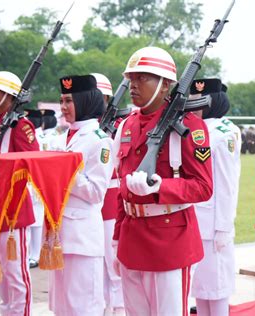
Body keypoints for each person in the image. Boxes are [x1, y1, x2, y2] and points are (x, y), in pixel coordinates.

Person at [112, 46, 213, 316]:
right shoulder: (126, 126)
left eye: (143, 77)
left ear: (166, 84)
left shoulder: (189, 125)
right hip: (132, 241)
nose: (133, 84)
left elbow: (203, 187)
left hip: (170, 240)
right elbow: (122, 189)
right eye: (131, 78)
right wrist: (116, 238)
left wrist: (160, 187)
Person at [48, 74, 113, 316]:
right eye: (61, 101)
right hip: (58, 235)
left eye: (69, 101)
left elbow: (96, 192)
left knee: (83, 308)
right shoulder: (61, 138)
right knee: (61, 308)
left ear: (85, 101)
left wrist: (65, 170)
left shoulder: (100, 141)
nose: (63, 108)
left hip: (83, 238)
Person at [0, 71, 39, 315]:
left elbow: (33, 161)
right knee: (1, 277)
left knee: (16, 275)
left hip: (12, 209)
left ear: (7, 95)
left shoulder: (20, 126)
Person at [189, 79, 241, 316]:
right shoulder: (193, 129)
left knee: (217, 288)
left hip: (212, 225)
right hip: (193, 221)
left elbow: (227, 184)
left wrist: (223, 227)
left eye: (200, 100)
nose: (194, 105)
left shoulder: (222, 133)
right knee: (200, 288)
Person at [92, 72, 126, 316]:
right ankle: (106, 308)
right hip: (95, 204)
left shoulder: (119, 125)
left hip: (112, 200)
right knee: (100, 266)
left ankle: (120, 309)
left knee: (115, 266)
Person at [23, 109, 45, 269]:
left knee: (37, 220)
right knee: (30, 221)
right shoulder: (29, 135)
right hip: (27, 181)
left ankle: (35, 254)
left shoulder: (43, 138)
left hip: (37, 181)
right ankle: (30, 252)